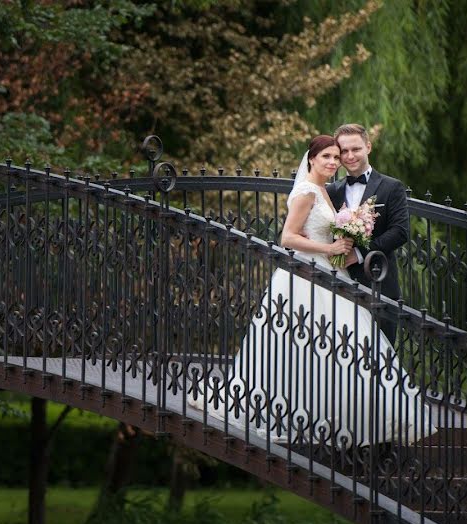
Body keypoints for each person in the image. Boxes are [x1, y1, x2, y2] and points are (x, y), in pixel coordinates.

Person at [186, 135, 436, 450]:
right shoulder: (307, 190)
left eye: (337, 156)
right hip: (307, 276)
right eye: (327, 156)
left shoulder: (327, 191)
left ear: (366, 149)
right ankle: (293, 415)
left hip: (334, 273)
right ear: (311, 159)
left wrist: (346, 244)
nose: (334, 162)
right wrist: (329, 246)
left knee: (336, 344)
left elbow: (393, 230)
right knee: (302, 345)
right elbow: (287, 237)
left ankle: (337, 417)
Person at [326, 123, 409, 344]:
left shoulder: (391, 187)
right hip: (338, 284)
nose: (350, 156)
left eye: (356, 149)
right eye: (344, 151)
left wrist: (359, 253)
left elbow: (400, 232)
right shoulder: (331, 191)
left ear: (368, 147)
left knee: (381, 359)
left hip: (379, 283)